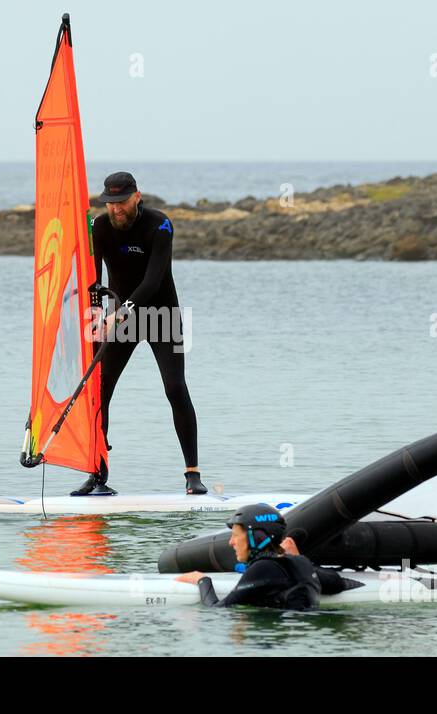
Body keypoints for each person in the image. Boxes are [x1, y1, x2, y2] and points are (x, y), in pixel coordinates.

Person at [75, 171, 206, 497]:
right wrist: (96, 316)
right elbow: (94, 279)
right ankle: (97, 474)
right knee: (99, 392)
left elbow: (152, 280)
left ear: (136, 196)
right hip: (119, 318)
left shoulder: (160, 225)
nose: (115, 209)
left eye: (121, 202)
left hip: (162, 314)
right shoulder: (99, 227)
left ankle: (193, 474)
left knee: (175, 388)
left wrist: (120, 312)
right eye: (109, 203)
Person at [175, 504, 360, 610]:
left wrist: (202, 580)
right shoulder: (297, 562)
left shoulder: (262, 568)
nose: (231, 542)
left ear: (256, 538)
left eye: (235, 535)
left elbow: (217, 609)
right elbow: (338, 583)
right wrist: (299, 560)